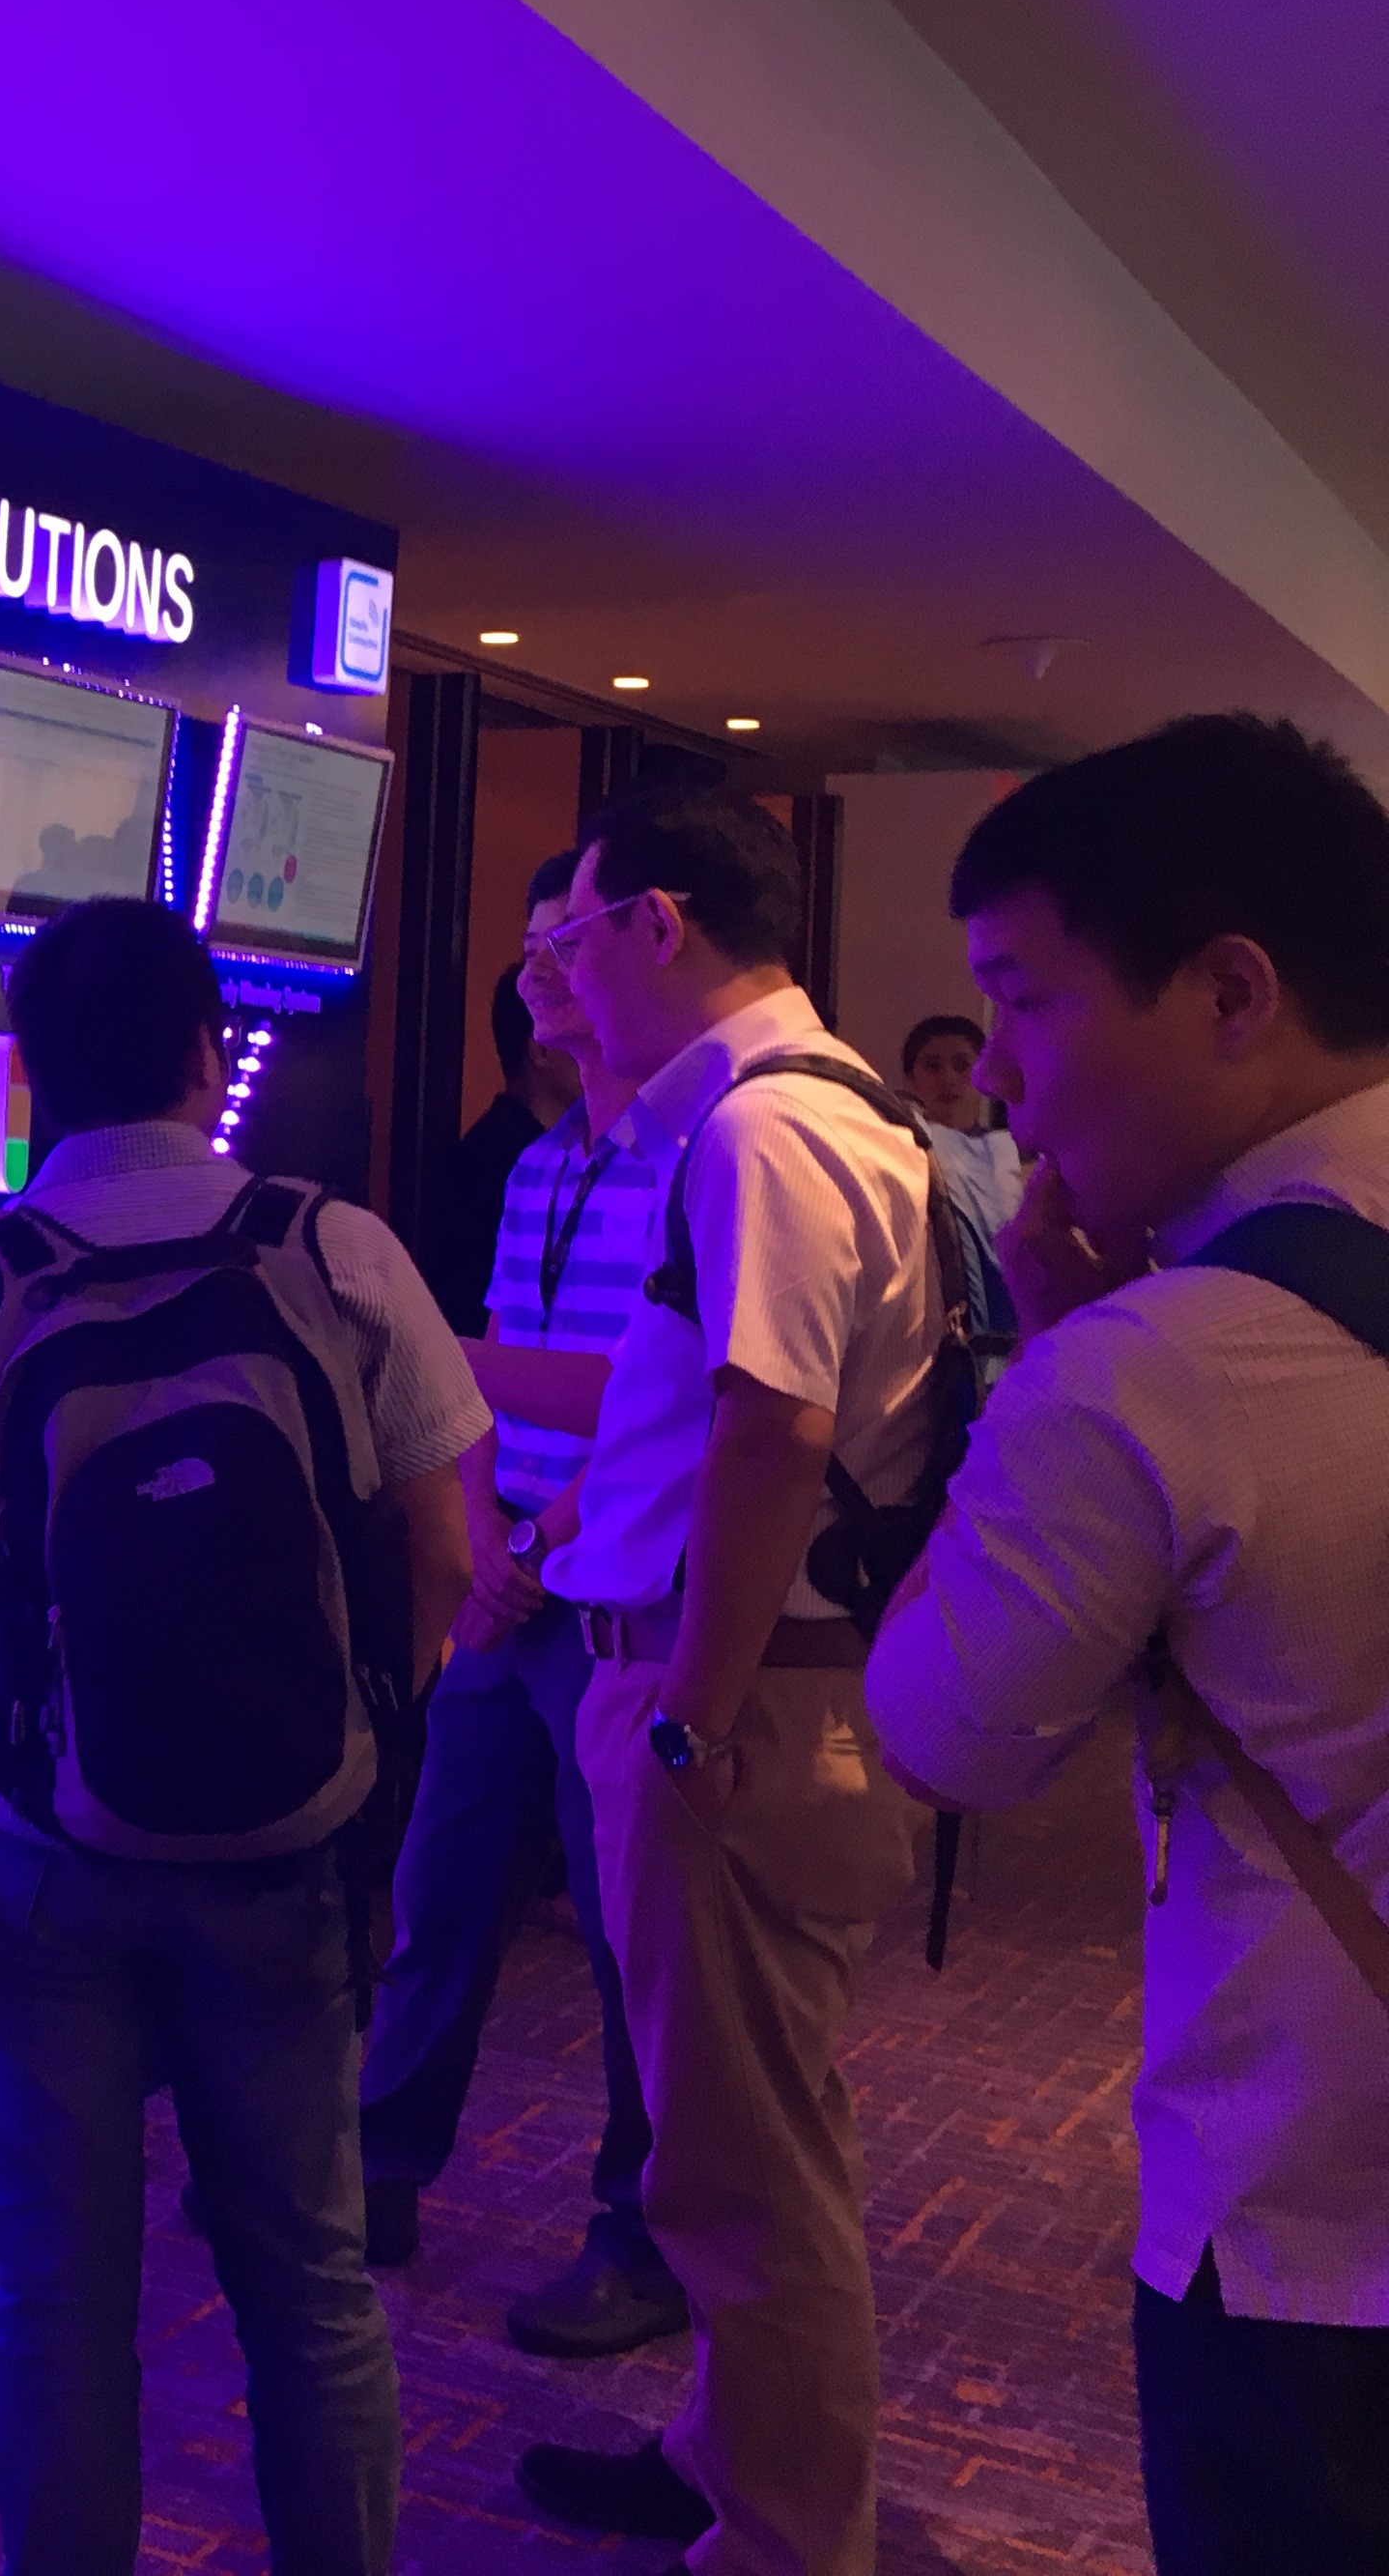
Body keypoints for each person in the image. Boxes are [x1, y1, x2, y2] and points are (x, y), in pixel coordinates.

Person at [0, 896, 483, 2576]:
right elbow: (445, 1549)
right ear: (213, 1055)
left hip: (23, 1854)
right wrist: (360, 1735)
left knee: (55, 2298)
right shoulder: (337, 1249)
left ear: (31, 1074)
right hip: (288, 1842)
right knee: (312, 2289)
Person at [866, 716, 1389, 2574]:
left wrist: (1041, 1373)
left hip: (1310, 2223)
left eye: (1023, 996)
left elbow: (943, 1726)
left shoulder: (1149, 1369)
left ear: (1232, 989)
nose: (998, 1072)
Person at [508, 786, 941, 2570]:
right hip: (772, 1687)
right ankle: (729, 2457)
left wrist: (686, 1712)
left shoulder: (762, 1130)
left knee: (747, 2173)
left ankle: (783, 2535)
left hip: (736, 1702)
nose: (556, 974)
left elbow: (772, 1431)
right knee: (741, 2133)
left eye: (570, 936)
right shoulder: (827, 1110)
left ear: (658, 925)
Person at [357, 850, 686, 2358]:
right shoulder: (543, 1165)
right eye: (532, 944)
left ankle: (639, 2234)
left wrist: (532, 1536)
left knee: (628, 1937)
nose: (536, 968)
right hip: (515, 1577)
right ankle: (378, 2172)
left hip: (610, 1585)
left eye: (565, 940)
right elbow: (486, 1369)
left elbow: (665, 1403)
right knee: (438, 1891)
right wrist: (484, 1523)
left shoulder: (700, 1159)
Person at [422, 965, 577, 1332]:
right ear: (540, 1049)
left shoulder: (500, 1149)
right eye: (583, 1033)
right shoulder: (506, 1164)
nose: (601, 1046)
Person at [897, 1013, 1027, 1311]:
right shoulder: (902, 1148)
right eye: (932, 1066)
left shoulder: (1016, 1154)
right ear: (911, 1078)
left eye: (961, 1065)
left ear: (983, 1073)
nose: (948, 1079)